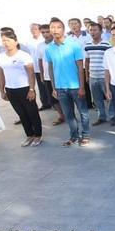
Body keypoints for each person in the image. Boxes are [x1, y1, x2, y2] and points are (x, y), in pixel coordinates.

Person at [46, 18, 91, 147]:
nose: (55, 30)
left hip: (76, 86)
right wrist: (54, 87)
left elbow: (80, 67)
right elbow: (51, 68)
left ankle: (86, 135)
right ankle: (74, 135)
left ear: (63, 29)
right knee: (68, 114)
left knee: (83, 112)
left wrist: (82, 86)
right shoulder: (49, 48)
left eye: (58, 27)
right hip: (60, 88)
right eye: (52, 27)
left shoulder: (73, 44)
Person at [0, 30, 43, 147]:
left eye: (8, 40)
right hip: (11, 89)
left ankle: (38, 135)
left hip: (25, 88)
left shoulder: (23, 56)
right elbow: (1, 74)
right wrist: (2, 91)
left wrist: (32, 89)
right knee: (21, 114)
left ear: (16, 41)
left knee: (32, 113)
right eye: (4, 41)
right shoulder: (1, 57)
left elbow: (31, 73)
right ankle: (29, 135)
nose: (6, 43)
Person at [84, 22, 113, 126]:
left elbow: (111, 61)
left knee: (109, 97)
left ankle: (112, 116)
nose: (93, 32)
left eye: (95, 30)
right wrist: (87, 76)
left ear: (101, 31)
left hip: (104, 76)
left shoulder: (107, 44)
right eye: (91, 30)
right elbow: (87, 61)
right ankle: (101, 117)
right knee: (97, 99)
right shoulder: (87, 45)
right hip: (93, 76)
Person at [36, 24, 65, 126]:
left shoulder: (58, 43)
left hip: (60, 75)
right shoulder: (40, 46)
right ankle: (61, 116)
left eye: (47, 31)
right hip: (48, 76)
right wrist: (41, 75)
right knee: (53, 98)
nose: (45, 34)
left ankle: (68, 114)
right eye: (43, 32)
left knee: (64, 97)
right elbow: (40, 61)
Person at [26, 23, 52, 110]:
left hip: (48, 69)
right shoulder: (29, 41)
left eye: (35, 29)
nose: (33, 31)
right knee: (42, 88)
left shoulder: (44, 40)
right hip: (36, 67)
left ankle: (53, 104)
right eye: (31, 29)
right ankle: (45, 103)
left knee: (50, 88)